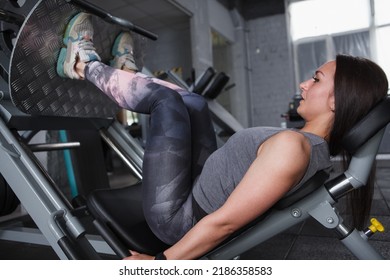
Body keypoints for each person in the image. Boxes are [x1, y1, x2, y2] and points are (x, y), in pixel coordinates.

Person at [57, 13, 388, 260]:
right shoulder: (305, 146)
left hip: (176, 219)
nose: (304, 84)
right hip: (197, 188)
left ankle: (83, 64)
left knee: (166, 102)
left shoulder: (293, 148)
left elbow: (225, 224)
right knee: (194, 103)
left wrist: (160, 266)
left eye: (316, 80)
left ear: (336, 101)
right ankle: (127, 75)